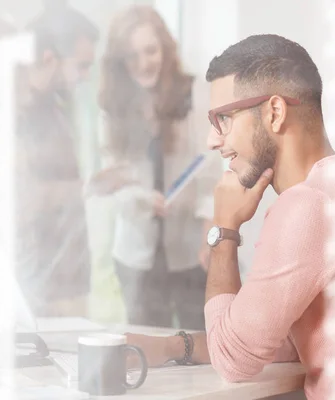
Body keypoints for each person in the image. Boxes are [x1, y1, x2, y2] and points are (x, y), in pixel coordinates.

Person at [128, 34, 335, 399]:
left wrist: (223, 230)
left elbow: (234, 360)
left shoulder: (307, 206)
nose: (213, 141)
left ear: (274, 112)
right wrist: (172, 347)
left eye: (223, 119)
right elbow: (274, 336)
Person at [92, 5, 220, 330]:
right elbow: (113, 183)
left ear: (165, 47)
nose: (143, 63)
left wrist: (209, 232)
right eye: (132, 56)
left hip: (190, 249)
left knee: (198, 344)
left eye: (150, 51)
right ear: (120, 61)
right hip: (136, 254)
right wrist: (140, 198)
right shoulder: (112, 106)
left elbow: (209, 171)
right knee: (147, 348)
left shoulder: (192, 94)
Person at [15, 4, 99, 318]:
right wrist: (84, 187)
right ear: (49, 57)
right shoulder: (13, 113)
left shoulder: (54, 107)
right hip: (31, 284)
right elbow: (24, 201)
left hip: (64, 281)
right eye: (81, 66)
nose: (85, 76)